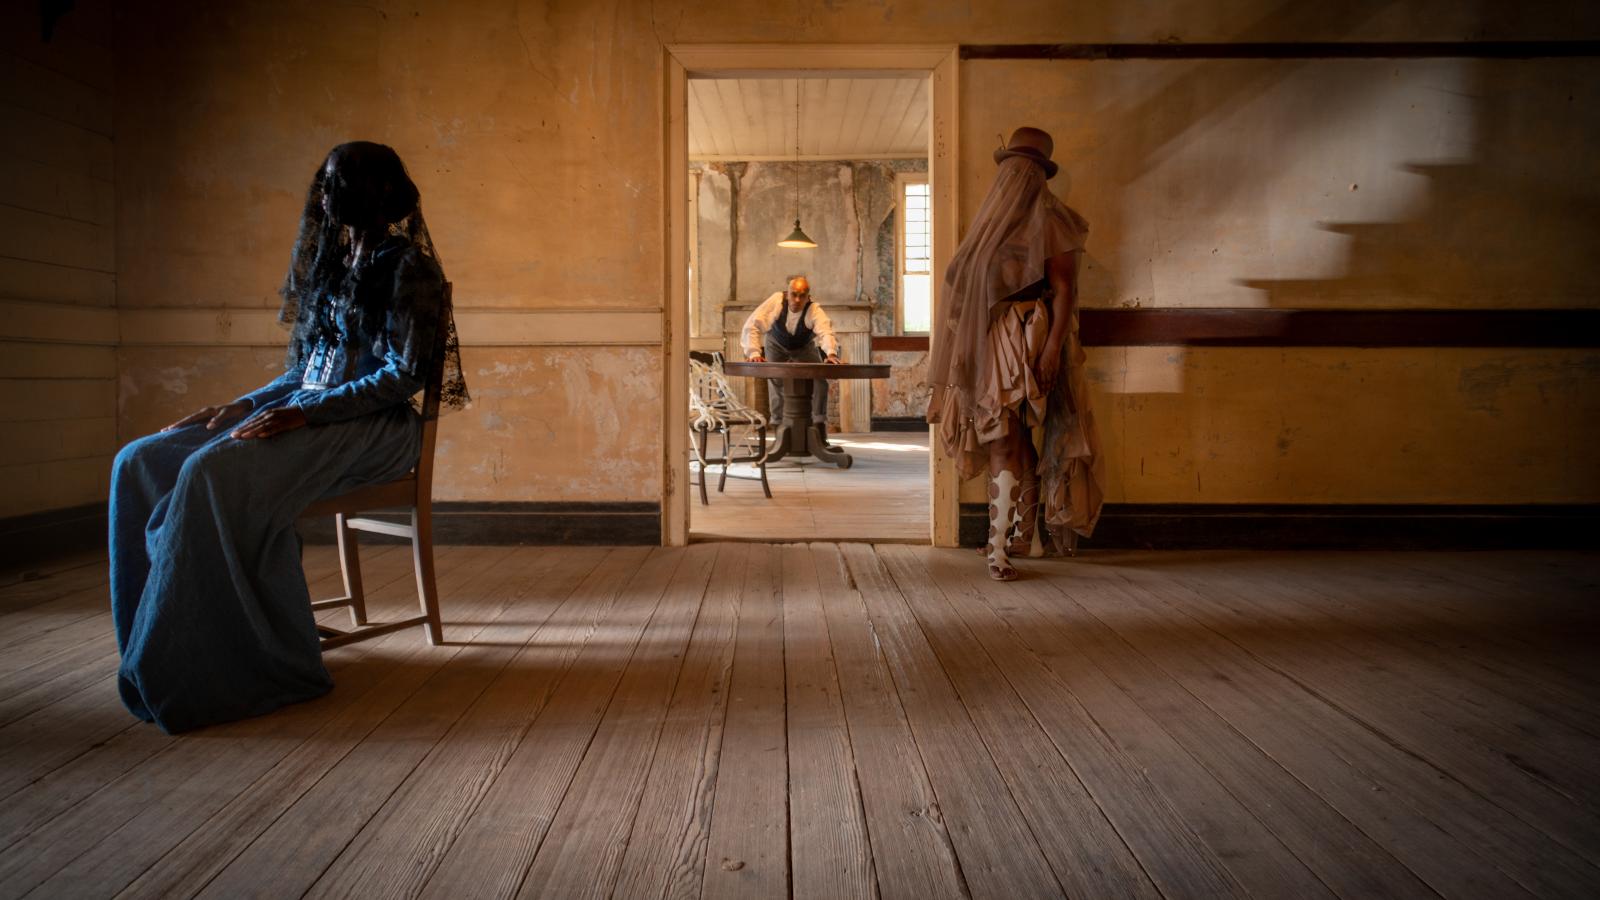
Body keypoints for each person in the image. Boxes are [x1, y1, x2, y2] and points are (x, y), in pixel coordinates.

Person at [108, 141, 469, 733]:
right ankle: (162, 645)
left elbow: (402, 375)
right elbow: (304, 374)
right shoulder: (331, 269)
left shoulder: (410, 268)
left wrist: (306, 416)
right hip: (313, 409)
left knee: (210, 472)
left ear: (376, 190)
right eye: (322, 182)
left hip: (376, 427)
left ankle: (240, 659)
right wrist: (239, 406)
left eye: (336, 181)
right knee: (139, 460)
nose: (323, 193)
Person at [925, 127, 1104, 581]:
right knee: (1010, 439)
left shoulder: (1054, 222)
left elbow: (1065, 291)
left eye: (1026, 170)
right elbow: (961, 288)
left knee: (1009, 439)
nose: (1017, 177)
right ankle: (1027, 538)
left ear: (1039, 176)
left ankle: (998, 546)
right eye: (1011, 169)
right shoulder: (991, 223)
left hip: (1026, 341)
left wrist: (1049, 351)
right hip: (988, 343)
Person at [740, 275, 842, 440]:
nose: (796, 299)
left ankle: (818, 427)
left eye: (802, 295)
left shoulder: (813, 309)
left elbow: (825, 331)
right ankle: (779, 428)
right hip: (776, 344)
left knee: (819, 382)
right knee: (776, 381)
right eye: (793, 294)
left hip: (803, 347)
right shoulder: (776, 301)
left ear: (807, 296)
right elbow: (752, 324)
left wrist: (831, 353)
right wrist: (754, 353)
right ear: (787, 294)